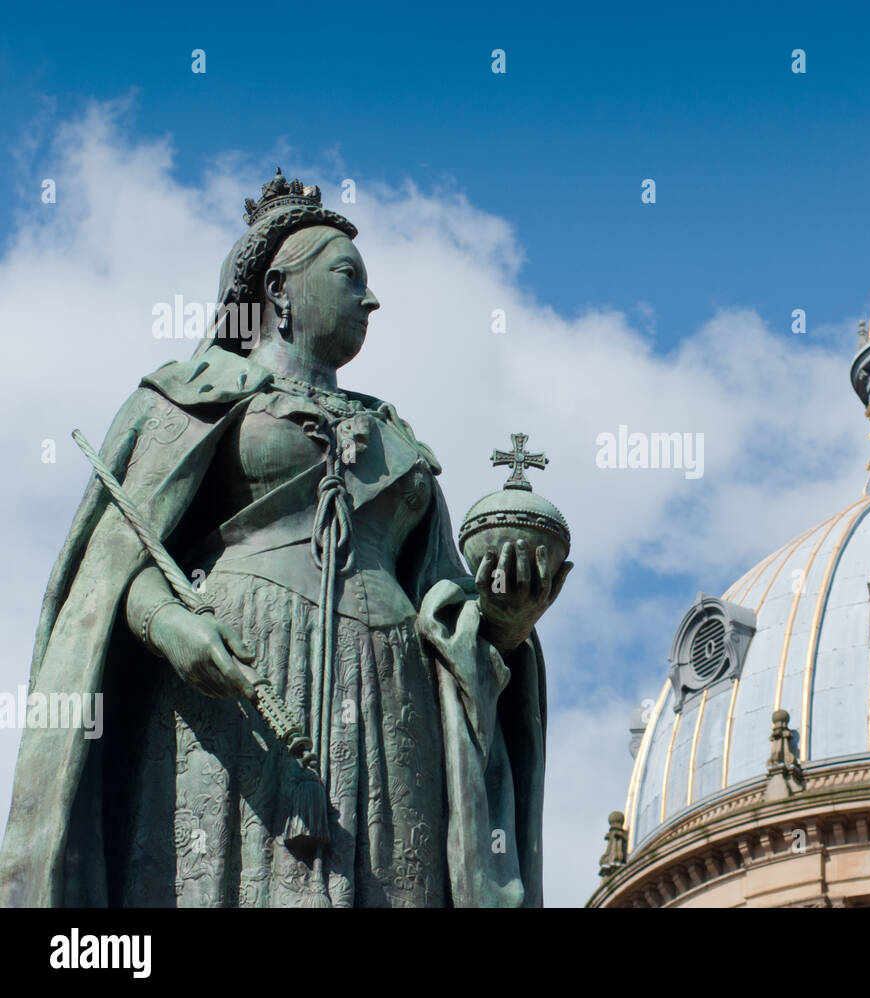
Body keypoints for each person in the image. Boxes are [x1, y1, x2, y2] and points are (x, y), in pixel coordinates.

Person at [0, 171, 569, 907]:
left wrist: (510, 623)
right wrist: (172, 627)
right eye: (348, 276)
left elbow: (448, 606)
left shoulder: (398, 440)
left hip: (391, 697)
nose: (370, 299)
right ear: (278, 293)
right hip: (233, 684)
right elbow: (111, 572)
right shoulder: (190, 399)